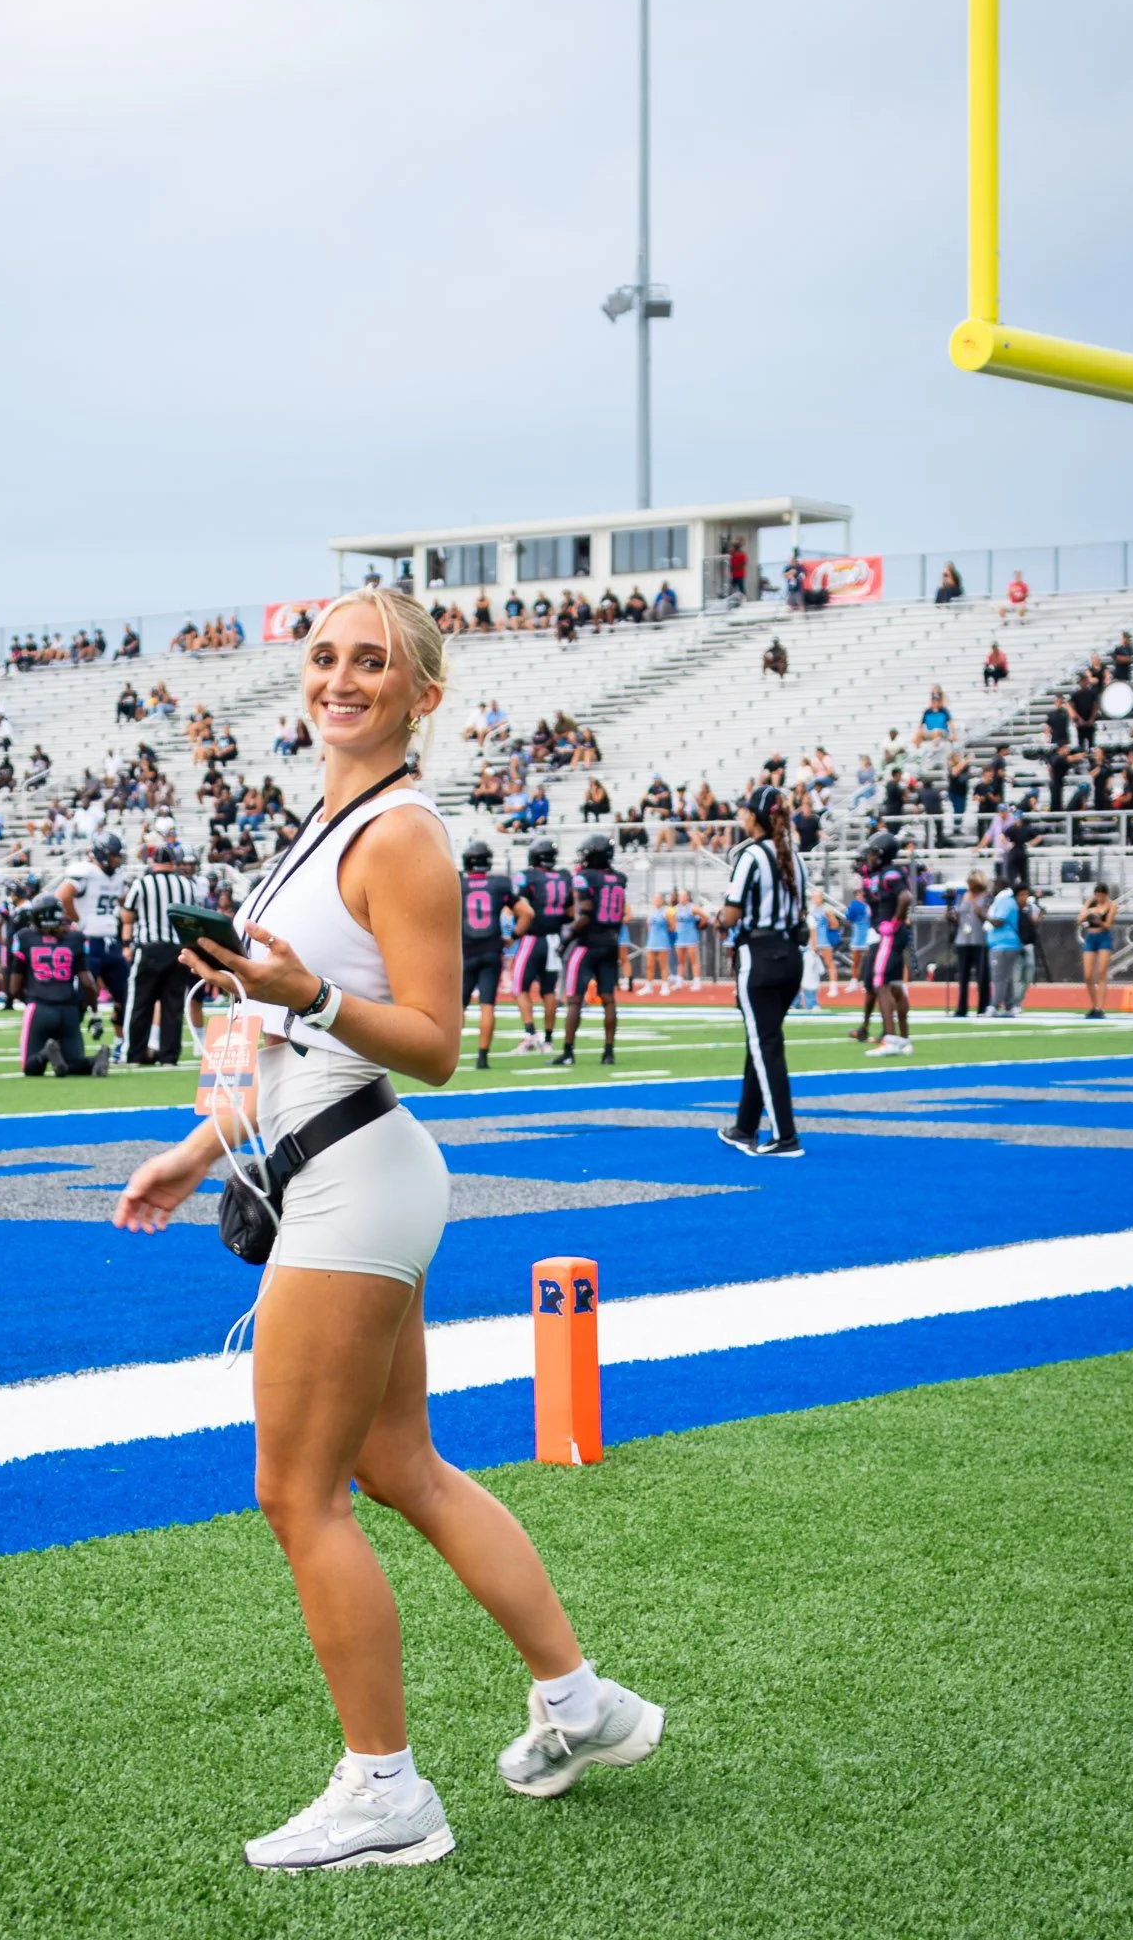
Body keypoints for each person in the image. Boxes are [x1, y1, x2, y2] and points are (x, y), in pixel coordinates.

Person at [112, 587, 662, 1871]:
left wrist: (299, 986)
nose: (341, 679)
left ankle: (386, 1792)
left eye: (373, 663)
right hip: (341, 1167)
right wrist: (198, 1153)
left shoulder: (402, 833)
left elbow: (435, 1046)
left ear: (424, 694)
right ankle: (582, 1706)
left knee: (296, 1492)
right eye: (324, 658)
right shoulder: (326, 822)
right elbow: (281, 1033)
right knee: (399, 1469)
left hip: (359, 1175)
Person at [715, 785, 808, 1157]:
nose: (740, 816)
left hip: (760, 955)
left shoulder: (751, 855)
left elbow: (733, 912)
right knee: (763, 1039)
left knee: (766, 1043)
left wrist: (718, 919)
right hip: (791, 954)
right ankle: (745, 1127)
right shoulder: (794, 857)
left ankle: (786, 1136)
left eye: (743, 811)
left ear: (754, 816)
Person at [9, 895, 110, 1076]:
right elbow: (88, 984)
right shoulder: (75, 938)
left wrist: (30, 1001)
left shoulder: (25, 937)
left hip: (39, 1006)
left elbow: (14, 987)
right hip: (68, 1010)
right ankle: (95, 1060)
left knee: (31, 1068)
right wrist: (93, 1012)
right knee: (73, 1063)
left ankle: (46, 1054)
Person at [56, 831, 132, 1061]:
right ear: (101, 854)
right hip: (88, 942)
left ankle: (121, 1044)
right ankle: (68, 1047)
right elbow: (62, 895)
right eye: (113, 855)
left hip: (111, 942)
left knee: (125, 995)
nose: (117, 860)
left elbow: (122, 899)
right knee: (81, 998)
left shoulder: (117, 876)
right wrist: (78, 919)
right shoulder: (86, 872)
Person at [556, 832, 627, 1068]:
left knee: (574, 1001)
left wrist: (566, 941)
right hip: (611, 942)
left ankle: (568, 1051)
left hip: (587, 945)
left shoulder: (585, 877)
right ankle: (609, 1052)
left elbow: (584, 915)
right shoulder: (619, 878)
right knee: (608, 1000)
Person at [120, 845, 190, 1065]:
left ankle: (134, 1054)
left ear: (153, 863)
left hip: (149, 948)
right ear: (173, 863)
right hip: (178, 950)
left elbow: (128, 915)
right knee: (173, 1005)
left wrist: (126, 943)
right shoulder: (186, 884)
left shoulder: (142, 884)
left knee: (140, 1003)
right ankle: (169, 1056)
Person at [509, 835, 571, 1053]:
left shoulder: (526, 877)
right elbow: (571, 912)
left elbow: (520, 907)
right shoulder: (564, 876)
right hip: (555, 939)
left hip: (531, 939)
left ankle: (530, 1034)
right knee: (549, 991)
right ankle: (548, 1040)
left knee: (520, 987)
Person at [458, 840, 516, 1072]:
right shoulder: (499, 883)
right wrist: (513, 935)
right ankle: (482, 1057)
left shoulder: (459, 884)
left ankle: (453, 1053)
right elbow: (526, 911)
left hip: (466, 950)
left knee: (458, 1008)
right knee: (487, 1005)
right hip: (492, 949)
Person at [863, 831, 913, 1057]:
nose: (870, 857)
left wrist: (894, 922)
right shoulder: (889, 872)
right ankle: (904, 1039)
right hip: (895, 933)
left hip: (890, 933)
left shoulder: (889, 874)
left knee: (880, 983)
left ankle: (890, 1040)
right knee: (895, 985)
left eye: (874, 853)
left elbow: (905, 897)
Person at [984, 878, 1029, 1016]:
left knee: (999, 977)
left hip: (1003, 944)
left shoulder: (1005, 901)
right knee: (1007, 978)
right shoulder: (1007, 901)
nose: (992, 889)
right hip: (1005, 944)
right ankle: (1010, 1005)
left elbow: (999, 922)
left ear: (999, 887)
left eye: (994, 886)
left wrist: (982, 914)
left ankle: (994, 1005)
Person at [951, 871, 991, 1018]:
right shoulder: (963, 897)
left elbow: (988, 917)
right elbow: (959, 918)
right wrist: (951, 917)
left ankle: (983, 1006)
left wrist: (981, 913)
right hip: (963, 939)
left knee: (982, 975)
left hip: (980, 940)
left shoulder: (986, 897)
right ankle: (962, 1007)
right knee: (963, 976)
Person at [1078, 882, 1118, 1019]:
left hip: (1103, 937)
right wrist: (1089, 912)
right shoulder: (1090, 903)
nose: (1099, 899)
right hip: (1091, 937)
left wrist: (1099, 920)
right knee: (1088, 975)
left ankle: (1100, 1007)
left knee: (1101, 973)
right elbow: (1079, 919)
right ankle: (1094, 1005)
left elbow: (1108, 925)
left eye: (1101, 896)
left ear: (1105, 895)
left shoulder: (1112, 906)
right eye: (1097, 896)